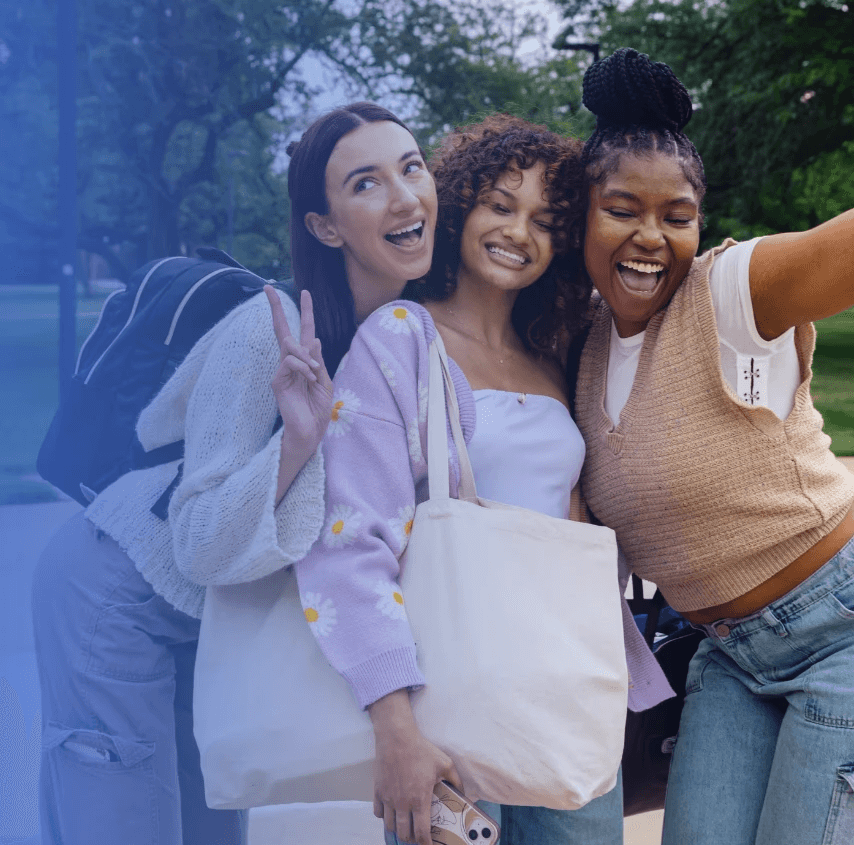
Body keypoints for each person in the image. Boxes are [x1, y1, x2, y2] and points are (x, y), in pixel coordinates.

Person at [30, 101, 437, 845]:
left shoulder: (408, 337)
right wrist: (295, 445)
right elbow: (199, 539)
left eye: (412, 167)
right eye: (367, 183)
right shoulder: (270, 329)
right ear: (325, 225)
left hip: (211, 625)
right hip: (116, 595)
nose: (406, 195)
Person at [295, 113, 673, 845]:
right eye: (501, 205)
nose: (519, 232)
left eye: (544, 218)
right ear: (462, 207)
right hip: (449, 699)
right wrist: (395, 726)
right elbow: (347, 545)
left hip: (565, 691)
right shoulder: (401, 339)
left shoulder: (556, 352)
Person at [572, 47, 854, 845]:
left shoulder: (731, 292)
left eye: (677, 214)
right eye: (622, 207)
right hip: (727, 655)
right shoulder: (577, 344)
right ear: (580, 212)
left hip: (839, 631)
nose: (651, 237)